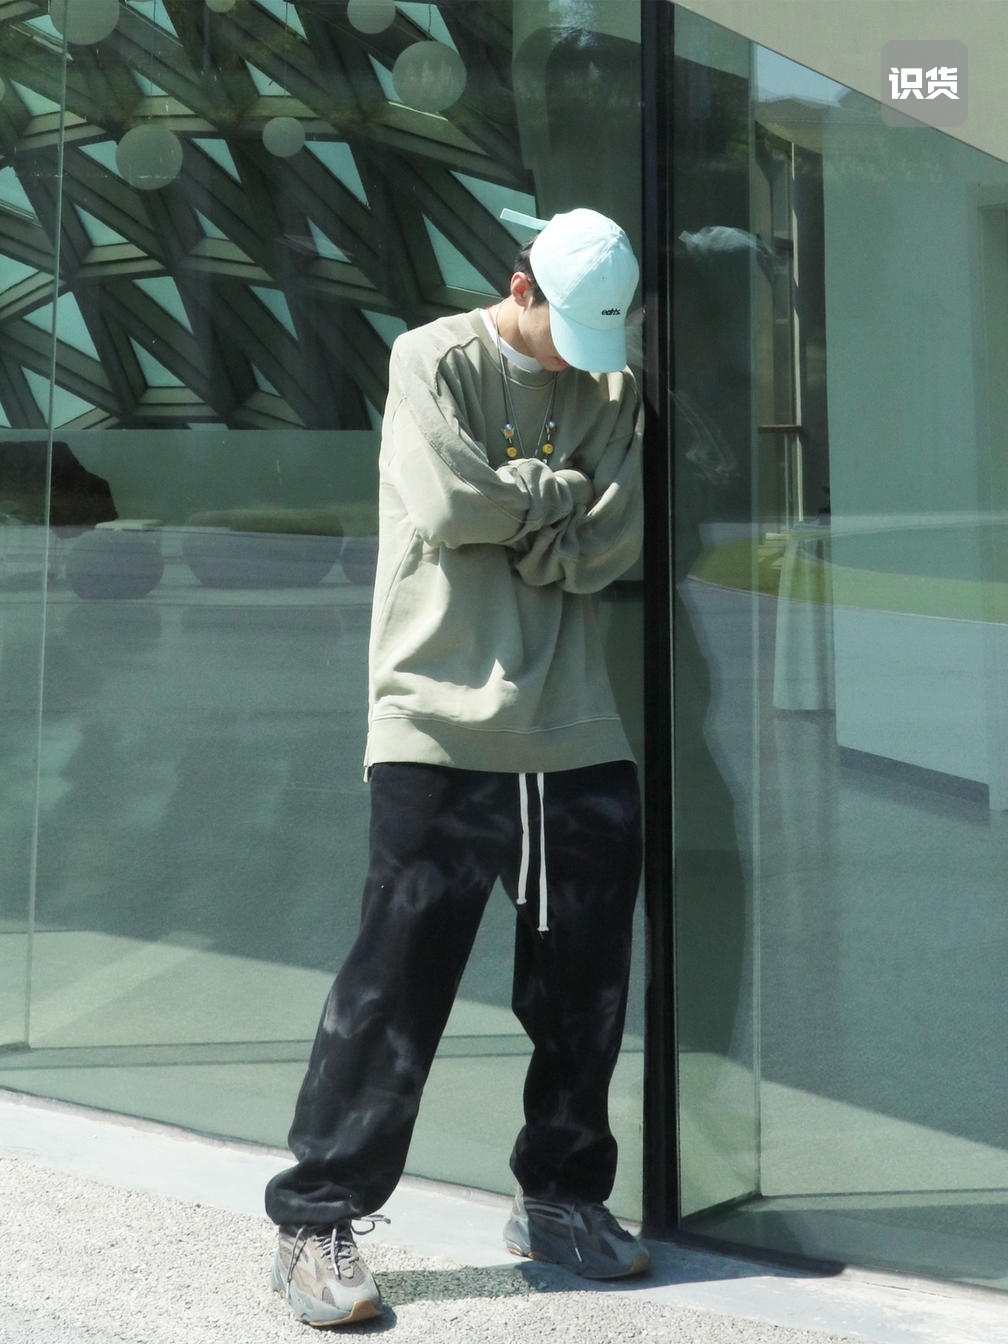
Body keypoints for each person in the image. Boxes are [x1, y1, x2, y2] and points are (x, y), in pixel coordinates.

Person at [265, 207, 649, 1328]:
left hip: (579, 728)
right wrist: (559, 498)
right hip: (436, 721)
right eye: (566, 328)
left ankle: (562, 1199)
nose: (580, 359)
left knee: (584, 991)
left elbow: (614, 542)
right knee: (395, 984)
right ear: (522, 287)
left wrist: (521, 503)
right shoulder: (431, 360)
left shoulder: (614, 386)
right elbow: (445, 504)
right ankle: (315, 1222)